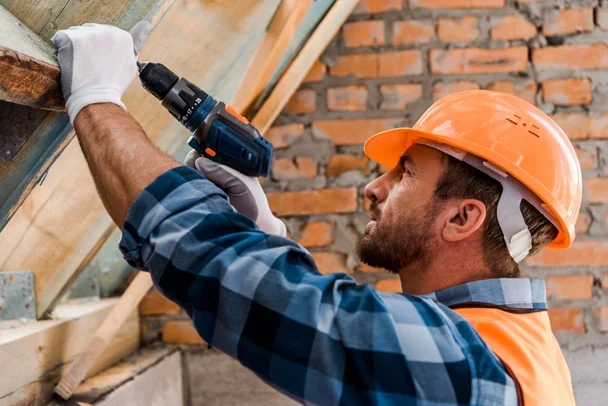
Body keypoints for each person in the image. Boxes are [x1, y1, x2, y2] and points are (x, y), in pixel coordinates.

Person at [50, 22, 580, 405]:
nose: (374, 187)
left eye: (407, 174)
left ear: (463, 219)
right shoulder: (522, 347)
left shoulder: (465, 365)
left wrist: (97, 100)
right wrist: (267, 237)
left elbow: (263, 299)